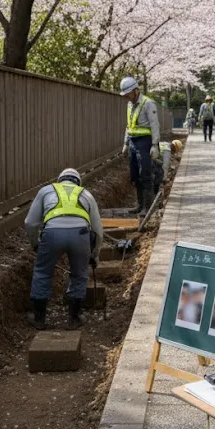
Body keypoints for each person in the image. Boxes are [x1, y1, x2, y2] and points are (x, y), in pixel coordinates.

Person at [23, 168, 103, 330]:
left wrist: (35, 243)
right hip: (80, 235)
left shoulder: (46, 191)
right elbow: (98, 230)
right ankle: (74, 318)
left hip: (52, 234)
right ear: (77, 181)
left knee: (43, 272)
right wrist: (94, 255)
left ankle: (39, 318)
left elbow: (30, 223)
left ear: (59, 180)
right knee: (79, 274)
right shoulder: (86, 194)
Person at [120, 76, 161, 216]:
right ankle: (139, 205)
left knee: (145, 173)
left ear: (136, 90)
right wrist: (126, 143)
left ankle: (147, 207)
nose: (127, 97)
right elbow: (128, 125)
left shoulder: (148, 103)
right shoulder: (129, 104)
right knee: (135, 175)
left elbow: (155, 124)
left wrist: (155, 144)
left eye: (128, 94)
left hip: (145, 142)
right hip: (132, 141)